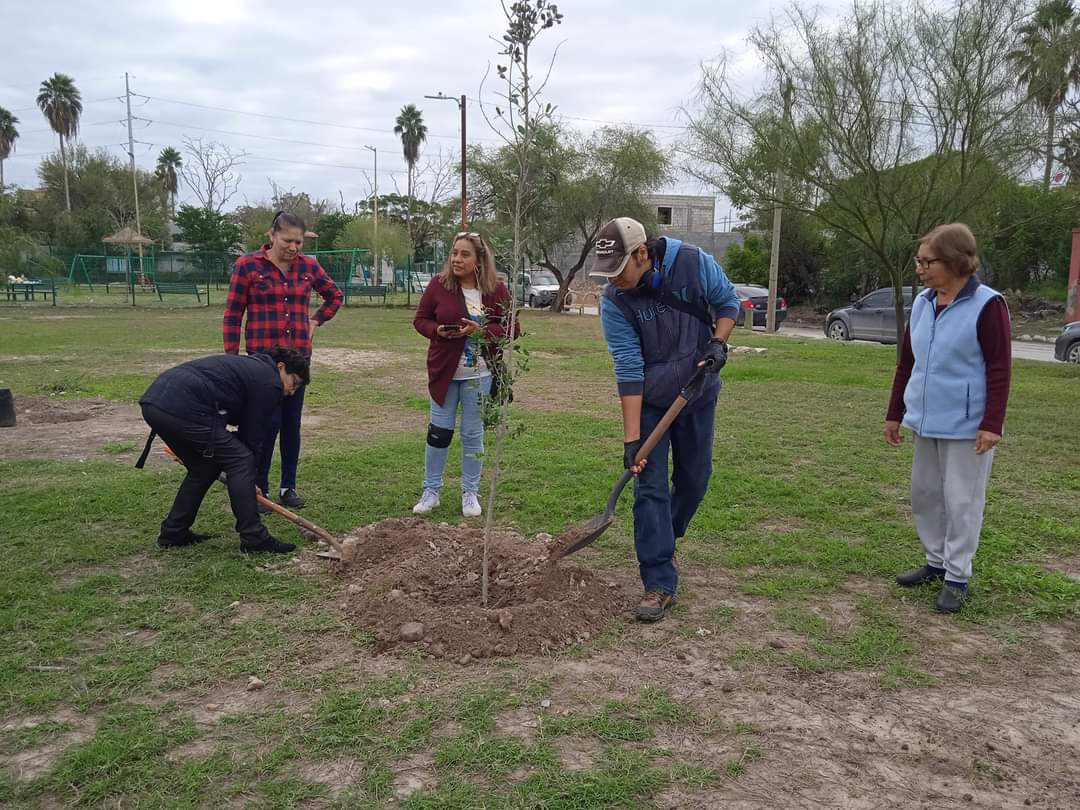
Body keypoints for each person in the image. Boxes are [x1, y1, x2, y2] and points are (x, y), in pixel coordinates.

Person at [593, 217, 740, 622]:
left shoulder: (692, 262)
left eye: (618, 270)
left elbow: (727, 302)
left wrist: (717, 342)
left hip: (698, 392)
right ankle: (658, 580)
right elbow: (627, 368)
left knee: (695, 480)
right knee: (650, 489)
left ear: (642, 254)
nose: (613, 280)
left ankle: (665, 535)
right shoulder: (615, 302)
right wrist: (632, 440)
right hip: (653, 402)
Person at [886, 223, 1011, 613]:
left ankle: (958, 575)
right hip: (926, 418)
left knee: (961, 501)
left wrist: (992, 423)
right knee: (925, 495)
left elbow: (999, 368)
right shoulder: (923, 303)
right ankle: (936, 562)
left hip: (967, 423)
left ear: (956, 262)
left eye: (928, 261)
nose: (920, 269)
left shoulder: (988, 305)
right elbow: (907, 362)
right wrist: (895, 413)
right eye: (918, 262)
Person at [137, 347, 311, 554]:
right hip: (182, 407)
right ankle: (254, 537)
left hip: (155, 403)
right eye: (294, 383)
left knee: (204, 468)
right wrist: (249, 479)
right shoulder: (270, 381)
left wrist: (245, 480)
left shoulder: (254, 369)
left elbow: (243, 430)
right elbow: (251, 438)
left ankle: (173, 532)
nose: (291, 392)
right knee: (241, 459)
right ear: (281, 367)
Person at [223, 211, 343, 512]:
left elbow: (335, 296)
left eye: (299, 241)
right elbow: (233, 314)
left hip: (298, 359)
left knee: (291, 424)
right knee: (264, 424)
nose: (293, 247)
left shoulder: (309, 267)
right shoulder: (248, 266)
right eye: (288, 240)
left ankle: (288, 486)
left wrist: (316, 321)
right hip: (261, 361)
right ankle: (258, 487)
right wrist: (232, 358)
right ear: (272, 235)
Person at [411, 232, 518, 518]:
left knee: (473, 435)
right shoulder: (438, 285)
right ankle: (431, 491)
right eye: (454, 253)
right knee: (439, 433)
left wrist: (482, 331)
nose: (457, 259)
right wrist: (436, 331)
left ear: (479, 259)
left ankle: (470, 493)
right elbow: (420, 320)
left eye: (464, 254)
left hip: (480, 376)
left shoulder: (496, 289)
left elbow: (512, 328)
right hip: (444, 373)